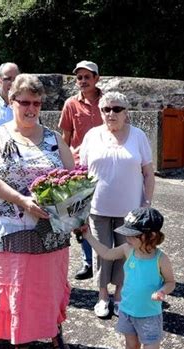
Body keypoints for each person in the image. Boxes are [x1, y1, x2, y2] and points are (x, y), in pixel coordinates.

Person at [0, 74, 75, 349]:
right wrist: (22, 201)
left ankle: (54, 332)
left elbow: (73, 179)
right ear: (12, 101)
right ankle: (21, 339)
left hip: (48, 231)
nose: (31, 109)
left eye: (36, 103)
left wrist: (72, 209)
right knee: (17, 287)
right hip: (7, 229)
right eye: (24, 102)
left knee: (47, 286)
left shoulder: (54, 139)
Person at [80, 91, 156, 318]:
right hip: (98, 207)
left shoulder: (138, 136)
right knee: (102, 253)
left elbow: (149, 174)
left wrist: (146, 204)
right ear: (100, 112)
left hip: (131, 211)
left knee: (127, 254)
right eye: (106, 109)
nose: (111, 113)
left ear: (126, 113)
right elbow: (81, 173)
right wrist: (78, 206)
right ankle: (103, 296)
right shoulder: (92, 136)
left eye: (117, 109)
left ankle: (120, 295)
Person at [83, 207, 175, 349]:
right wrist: (89, 237)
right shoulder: (128, 249)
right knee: (131, 347)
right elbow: (106, 253)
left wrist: (162, 291)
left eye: (133, 235)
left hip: (149, 315)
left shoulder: (161, 259)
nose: (127, 238)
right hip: (127, 311)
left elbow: (170, 282)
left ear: (151, 236)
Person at [59, 60, 103, 281]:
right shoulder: (70, 104)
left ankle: (108, 260)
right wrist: (65, 170)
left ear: (97, 78)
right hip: (80, 169)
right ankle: (88, 261)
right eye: (80, 77)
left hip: (106, 166)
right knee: (81, 218)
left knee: (106, 215)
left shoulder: (108, 103)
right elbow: (65, 139)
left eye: (88, 77)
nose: (83, 81)